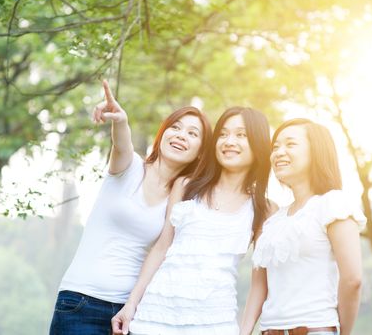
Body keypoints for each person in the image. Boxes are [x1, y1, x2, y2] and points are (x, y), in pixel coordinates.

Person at [49, 80, 213, 335]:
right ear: (163, 134)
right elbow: (121, 145)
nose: (182, 135)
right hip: (81, 302)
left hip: (129, 313)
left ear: (201, 153)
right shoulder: (130, 167)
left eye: (193, 134)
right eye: (176, 127)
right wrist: (120, 120)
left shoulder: (180, 196)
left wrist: (132, 305)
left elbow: (162, 250)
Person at [111, 106, 276, 335]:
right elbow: (161, 248)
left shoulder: (264, 208)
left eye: (241, 135)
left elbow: (260, 282)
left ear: (257, 144)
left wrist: (245, 331)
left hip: (215, 324)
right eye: (223, 134)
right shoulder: (186, 186)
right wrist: (130, 306)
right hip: (154, 319)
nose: (229, 141)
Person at [240, 118, 367, 335]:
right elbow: (259, 287)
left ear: (316, 152)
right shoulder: (274, 220)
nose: (279, 152)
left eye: (290, 144)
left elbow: (352, 280)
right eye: (276, 147)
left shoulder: (332, 203)